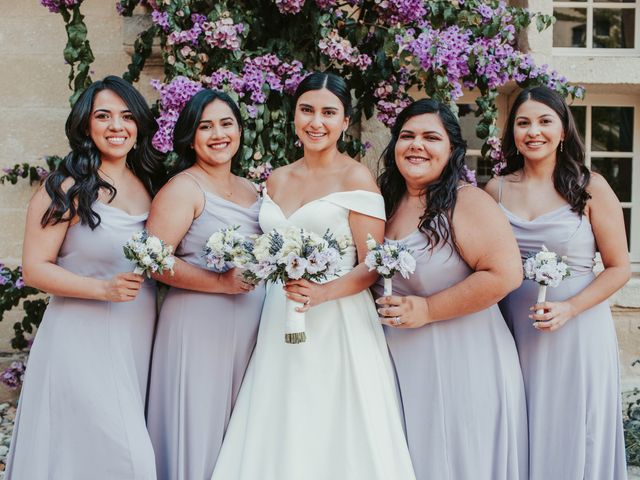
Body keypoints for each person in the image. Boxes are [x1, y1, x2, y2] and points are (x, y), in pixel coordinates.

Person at [211, 72, 416, 480]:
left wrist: (322, 293)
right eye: (307, 110)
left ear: (344, 121)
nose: (316, 122)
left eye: (328, 112)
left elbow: (371, 263)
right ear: (294, 117)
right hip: (278, 315)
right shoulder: (277, 178)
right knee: (282, 414)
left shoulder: (356, 178)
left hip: (337, 319)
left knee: (335, 418)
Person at [6, 75, 166, 479]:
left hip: (136, 339)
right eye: (104, 116)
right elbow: (35, 268)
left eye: (127, 116)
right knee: (130, 460)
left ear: (139, 126)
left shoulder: (150, 184)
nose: (117, 126)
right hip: (81, 338)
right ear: (85, 126)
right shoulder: (65, 187)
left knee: (92, 456)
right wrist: (102, 289)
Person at [374, 98, 528, 480]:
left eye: (431, 137)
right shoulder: (384, 204)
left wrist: (427, 310)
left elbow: (505, 274)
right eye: (407, 135)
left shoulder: (467, 202)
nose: (416, 145)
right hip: (403, 365)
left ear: (452, 150)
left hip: (465, 362)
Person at [485, 86, 630, 479]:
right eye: (523, 122)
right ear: (512, 132)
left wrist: (569, 308)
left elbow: (619, 267)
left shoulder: (590, 186)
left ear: (563, 129)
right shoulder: (494, 189)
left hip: (578, 331)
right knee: (523, 426)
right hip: (516, 331)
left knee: (575, 432)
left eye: (545, 121)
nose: (534, 131)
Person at [145, 89, 264, 480]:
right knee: (198, 423)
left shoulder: (253, 190)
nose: (218, 134)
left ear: (240, 131)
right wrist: (221, 284)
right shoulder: (184, 188)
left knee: (240, 430)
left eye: (226, 123)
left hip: (250, 331)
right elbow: (155, 262)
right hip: (197, 327)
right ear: (190, 137)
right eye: (205, 126)